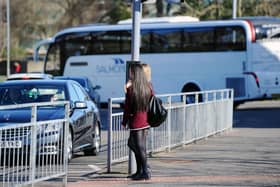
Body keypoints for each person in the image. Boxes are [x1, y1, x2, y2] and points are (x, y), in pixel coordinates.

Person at [122, 63, 152, 180]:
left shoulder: (132, 89)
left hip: (136, 121)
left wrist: (124, 122)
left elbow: (127, 107)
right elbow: (152, 98)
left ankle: (145, 170)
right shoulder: (148, 86)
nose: (129, 74)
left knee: (138, 146)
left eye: (131, 72)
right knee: (136, 145)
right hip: (145, 120)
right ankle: (140, 170)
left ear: (135, 74)